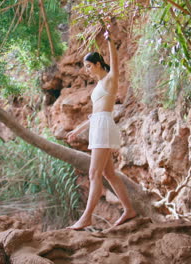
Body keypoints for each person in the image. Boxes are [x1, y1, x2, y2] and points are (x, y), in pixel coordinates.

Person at [66, 30, 137, 230]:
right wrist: (77, 130)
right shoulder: (98, 85)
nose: (87, 70)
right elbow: (95, 113)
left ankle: (87, 217)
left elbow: (114, 62)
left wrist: (110, 41)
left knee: (94, 173)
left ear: (98, 64)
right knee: (108, 174)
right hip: (98, 124)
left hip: (104, 126)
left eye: (89, 66)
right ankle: (129, 210)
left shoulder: (110, 79)